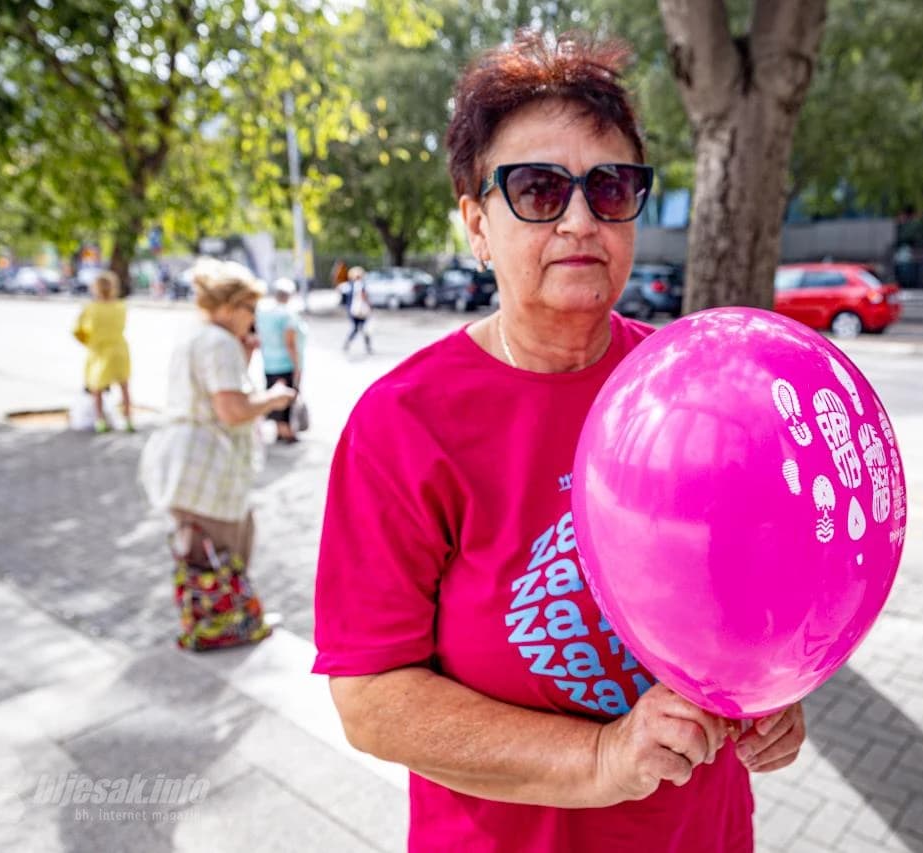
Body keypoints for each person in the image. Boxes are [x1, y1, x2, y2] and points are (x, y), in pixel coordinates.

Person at [313, 32, 805, 852]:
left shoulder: (695, 385)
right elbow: (369, 697)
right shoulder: (404, 422)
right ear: (476, 224)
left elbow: (757, 589)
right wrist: (601, 757)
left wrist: (773, 689)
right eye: (538, 189)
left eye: (610, 188)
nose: (580, 220)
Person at [139, 258, 296, 650]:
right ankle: (226, 627)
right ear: (228, 307)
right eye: (249, 309)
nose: (253, 319)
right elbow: (231, 410)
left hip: (188, 465)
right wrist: (273, 398)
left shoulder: (198, 335)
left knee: (202, 555)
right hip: (208, 469)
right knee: (222, 553)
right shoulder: (218, 342)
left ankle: (215, 624)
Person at [72, 270, 133, 433]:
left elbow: (77, 331)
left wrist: (88, 341)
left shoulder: (91, 308)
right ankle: (128, 419)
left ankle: (100, 420)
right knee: (124, 386)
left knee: (97, 387)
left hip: (99, 350)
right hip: (119, 349)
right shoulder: (121, 306)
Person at [257, 278, 304, 444]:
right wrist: (297, 366)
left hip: (269, 362)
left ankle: (279, 430)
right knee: (286, 398)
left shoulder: (264, 313)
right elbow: (290, 343)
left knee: (274, 396)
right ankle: (286, 432)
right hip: (285, 363)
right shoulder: (288, 315)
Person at [342, 266, 372, 355]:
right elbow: (364, 296)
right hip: (360, 310)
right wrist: (369, 305)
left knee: (357, 328)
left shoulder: (349, 285)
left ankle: (348, 343)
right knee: (363, 328)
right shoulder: (360, 285)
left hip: (353, 310)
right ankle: (367, 346)